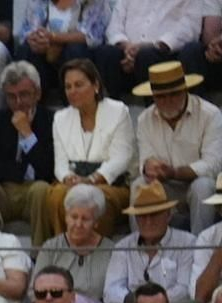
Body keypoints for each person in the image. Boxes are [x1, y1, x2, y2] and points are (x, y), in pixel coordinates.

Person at [0, 61, 54, 247]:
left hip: (33, 191)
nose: (18, 103)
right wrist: (21, 172)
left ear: (37, 93)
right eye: (11, 97)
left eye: (24, 95)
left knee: (42, 189)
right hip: (1, 190)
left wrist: (27, 133)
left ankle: (41, 256)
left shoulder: (51, 120)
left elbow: (48, 169)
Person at [130, 61, 222, 235]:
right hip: (164, 185)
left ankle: (199, 249)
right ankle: (141, 249)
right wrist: (149, 167)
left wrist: (175, 173)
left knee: (203, 186)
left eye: (173, 94)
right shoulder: (144, 119)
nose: (168, 101)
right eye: (161, 96)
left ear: (185, 90)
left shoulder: (210, 115)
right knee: (139, 185)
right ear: (153, 96)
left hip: (196, 183)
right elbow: (145, 159)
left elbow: (213, 165)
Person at [45, 58, 133, 237]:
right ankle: (64, 249)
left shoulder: (118, 111)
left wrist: (92, 180)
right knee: (56, 194)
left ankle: (97, 250)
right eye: (68, 87)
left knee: (97, 198)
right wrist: (70, 179)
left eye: (78, 85)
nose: (72, 91)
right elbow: (60, 164)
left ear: (96, 86)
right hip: (75, 181)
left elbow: (122, 158)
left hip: (111, 184)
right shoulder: (60, 118)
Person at [103, 182, 195, 303]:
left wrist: (152, 302)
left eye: (154, 215)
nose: (148, 222)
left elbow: (185, 289)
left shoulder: (187, 243)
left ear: (168, 215)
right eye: (142, 216)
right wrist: (137, 301)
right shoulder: (123, 246)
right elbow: (110, 291)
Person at [93, 0, 205, 101]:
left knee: (146, 55)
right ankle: (113, 107)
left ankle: (155, 108)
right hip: (126, 54)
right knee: (105, 52)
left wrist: (155, 46)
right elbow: (114, 25)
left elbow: (189, 28)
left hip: (163, 53)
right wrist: (127, 47)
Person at [32, 183, 114, 303]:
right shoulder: (51, 248)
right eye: (74, 217)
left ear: (96, 222)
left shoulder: (110, 251)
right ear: (66, 217)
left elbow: (113, 297)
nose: (78, 224)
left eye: (85, 219)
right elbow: (34, 291)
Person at [13, 0, 107, 95]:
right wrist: (36, 40)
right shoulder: (38, 2)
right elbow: (27, 31)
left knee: (75, 49)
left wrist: (53, 38)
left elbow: (92, 36)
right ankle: (31, 102)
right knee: (26, 50)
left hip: (75, 55)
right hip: (44, 55)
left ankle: (74, 100)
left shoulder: (93, 2)